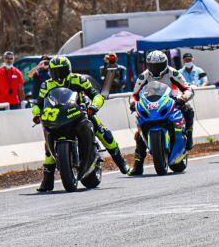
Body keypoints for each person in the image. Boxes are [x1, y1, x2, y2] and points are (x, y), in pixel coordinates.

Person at [33, 55, 130, 190]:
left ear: (68, 69)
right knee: (48, 145)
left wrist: (94, 106)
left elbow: (96, 95)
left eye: (61, 70)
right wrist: (36, 114)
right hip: (57, 116)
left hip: (80, 112)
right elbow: (38, 103)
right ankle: (47, 180)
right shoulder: (47, 85)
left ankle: (121, 162)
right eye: (55, 71)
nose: (59, 74)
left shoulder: (79, 79)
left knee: (103, 131)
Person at [127, 51, 195, 174]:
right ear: (148, 65)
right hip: (150, 104)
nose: (156, 69)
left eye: (159, 65)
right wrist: (132, 103)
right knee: (140, 129)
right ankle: (138, 165)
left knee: (188, 109)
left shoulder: (173, 72)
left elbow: (187, 88)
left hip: (171, 101)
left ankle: (189, 137)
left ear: (165, 63)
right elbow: (134, 94)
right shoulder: (144, 76)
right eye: (153, 66)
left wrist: (183, 97)